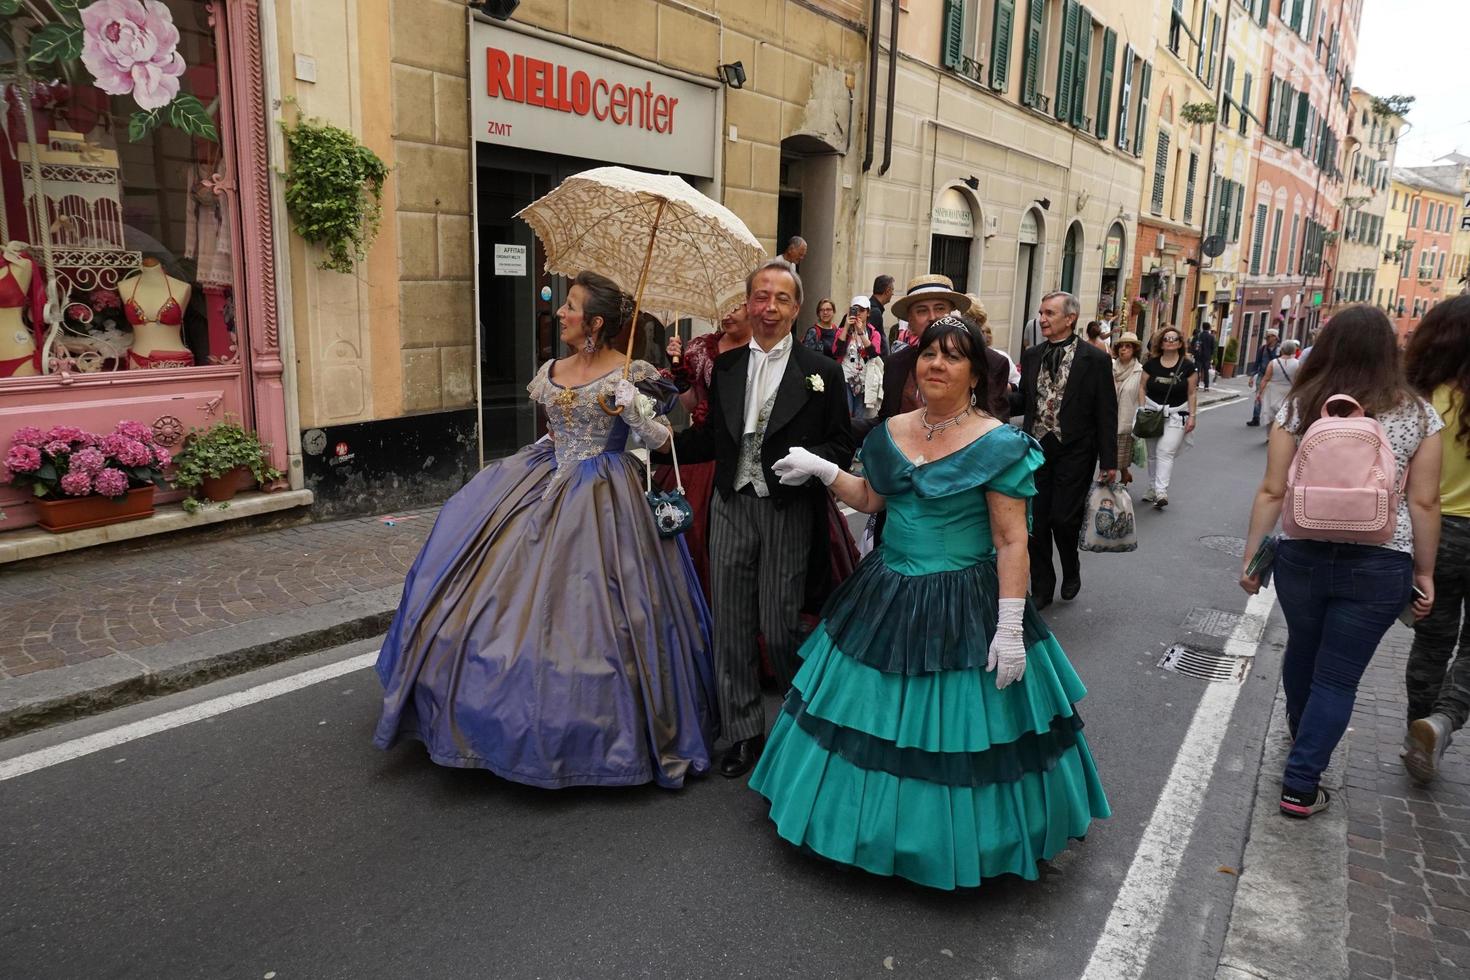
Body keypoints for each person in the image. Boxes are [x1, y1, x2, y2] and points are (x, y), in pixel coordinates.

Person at [751, 314, 1110, 890]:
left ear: (975, 374)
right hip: (887, 586)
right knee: (865, 719)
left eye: (952, 356)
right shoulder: (892, 428)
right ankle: (861, 829)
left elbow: (1012, 539)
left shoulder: (998, 443)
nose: (936, 365)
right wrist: (823, 471)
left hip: (961, 598)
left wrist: (1010, 627)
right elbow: (871, 498)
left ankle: (941, 843)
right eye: (927, 355)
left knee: (957, 732)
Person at [373, 270, 718, 789]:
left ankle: (591, 733)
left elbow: (664, 439)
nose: (559, 312)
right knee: (485, 594)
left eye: (571, 306)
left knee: (596, 612)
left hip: (604, 492)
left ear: (595, 322)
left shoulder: (632, 372)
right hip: (538, 479)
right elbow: (555, 430)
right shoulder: (551, 368)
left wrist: (634, 409)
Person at [651, 258, 854, 779]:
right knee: (733, 626)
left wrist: (812, 465)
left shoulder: (822, 372)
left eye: (781, 298)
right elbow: (713, 437)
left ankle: (798, 720)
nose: (769, 307)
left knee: (780, 625)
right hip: (730, 503)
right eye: (760, 296)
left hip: (785, 508)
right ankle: (743, 732)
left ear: (796, 307)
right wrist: (657, 442)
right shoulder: (728, 367)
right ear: (748, 302)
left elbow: (841, 443)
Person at [1241, 305, 1443, 819]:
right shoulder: (1417, 413)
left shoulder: (1301, 406)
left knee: (1302, 652)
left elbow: (1272, 488)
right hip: (1381, 561)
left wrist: (1252, 556)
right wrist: (1424, 571)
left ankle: (1301, 734)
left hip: (1303, 550)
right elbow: (1423, 502)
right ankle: (1301, 785)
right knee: (1339, 677)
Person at [1013, 291, 1119, 608]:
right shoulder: (1032, 356)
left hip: (1075, 450)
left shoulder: (1095, 359)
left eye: (1049, 313)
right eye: (1041, 313)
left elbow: (1106, 411)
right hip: (1036, 448)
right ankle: (1043, 586)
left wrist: (1109, 460)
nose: (1042, 319)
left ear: (1069, 318)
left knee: (1063, 518)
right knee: (1037, 521)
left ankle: (1071, 568)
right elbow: (1023, 400)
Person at [1402, 295, 1470, 784]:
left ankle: (1416, 733)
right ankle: (1441, 722)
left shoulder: (1417, 395)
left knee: (1432, 639)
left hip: (1435, 529)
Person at [1139, 326, 1199, 509]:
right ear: (1161, 343)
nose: (1170, 341)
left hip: (1176, 414)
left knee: (1164, 451)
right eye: (1167, 339)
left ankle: (1161, 492)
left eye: (1174, 339)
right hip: (1152, 412)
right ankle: (1152, 488)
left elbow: (1192, 393)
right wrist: (1141, 409)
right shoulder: (1151, 364)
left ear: (1181, 343)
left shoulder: (1188, 367)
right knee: (1151, 454)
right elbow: (1142, 387)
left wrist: (1192, 416)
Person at [833, 295, 884, 418]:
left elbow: (873, 353)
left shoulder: (873, 333)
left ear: (868, 313)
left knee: (859, 417)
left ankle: (856, 438)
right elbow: (836, 352)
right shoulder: (842, 331)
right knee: (845, 414)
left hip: (863, 380)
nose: (859, 313)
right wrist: (846, 327)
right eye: (855, 310)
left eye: (862, 310)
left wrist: (861, 332)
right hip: (845, 377)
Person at [1111, 331, 1145, 484]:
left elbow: (1141, 397)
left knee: (1119, 458)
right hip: (1108, 418)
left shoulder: (1140, 371)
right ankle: (1123, 476)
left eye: (1128, 346)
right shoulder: (1110, 367)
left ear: (1134, 350)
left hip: (1126, 419)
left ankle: (1115, 488)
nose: (1123, 349)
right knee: (1108, 456)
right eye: (1121, 346)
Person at [1256, 338, 1302, 435]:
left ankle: (1270, 435)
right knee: (1285, 412)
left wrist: (1259, 392)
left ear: (1282, 349)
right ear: (1294, 350)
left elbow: (1265, 378)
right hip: (1289, 390)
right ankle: (1281, 433)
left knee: (1270, 413)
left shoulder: (1273, 363)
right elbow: (1299, 380)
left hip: (1273, 390)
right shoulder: (1298, 364)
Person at [1246, 328, 1281, 426]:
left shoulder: (1280, 349)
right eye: (1266, 337)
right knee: (1258, 396)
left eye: (1269, 337)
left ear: (1275, 338)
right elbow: (1257, 362)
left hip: (1275, 377)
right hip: (1262, 375)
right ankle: (1256, 418)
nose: (1267, 339)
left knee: (1273, 399)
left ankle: (1272, 419)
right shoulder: (1262, 349)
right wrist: (1252, 377)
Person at [868, 274, 895, 349]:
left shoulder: (871, 308)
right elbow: (866, 339)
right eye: (892, 290)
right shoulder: (874, 312)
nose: (893, 293)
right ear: (887, 291)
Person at [1192, 323, 1216, 390]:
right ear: (1209, 328)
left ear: (1202, 327)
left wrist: (1194, 353)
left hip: (1198, 356)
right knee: (1206, 371)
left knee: (1197, 371)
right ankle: (1206, 386)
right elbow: (1213, 348)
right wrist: (1211, 356)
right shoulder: (1211, 337)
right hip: (1207, 357)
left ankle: (1196, 385)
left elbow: (1192, 344)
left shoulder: (1198, 336)